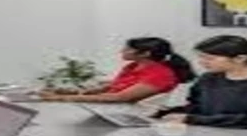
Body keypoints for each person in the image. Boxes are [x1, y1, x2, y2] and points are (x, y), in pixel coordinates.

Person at [39, 37, 195, 103]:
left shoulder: (161, 74)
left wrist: (60, 98)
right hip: (113, 107)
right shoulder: (132, 66)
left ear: (145, 54)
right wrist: (72, 92)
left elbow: (120, 97)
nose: (122, 51)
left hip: (131, 112)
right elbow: (113, 86)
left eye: (127, 49)